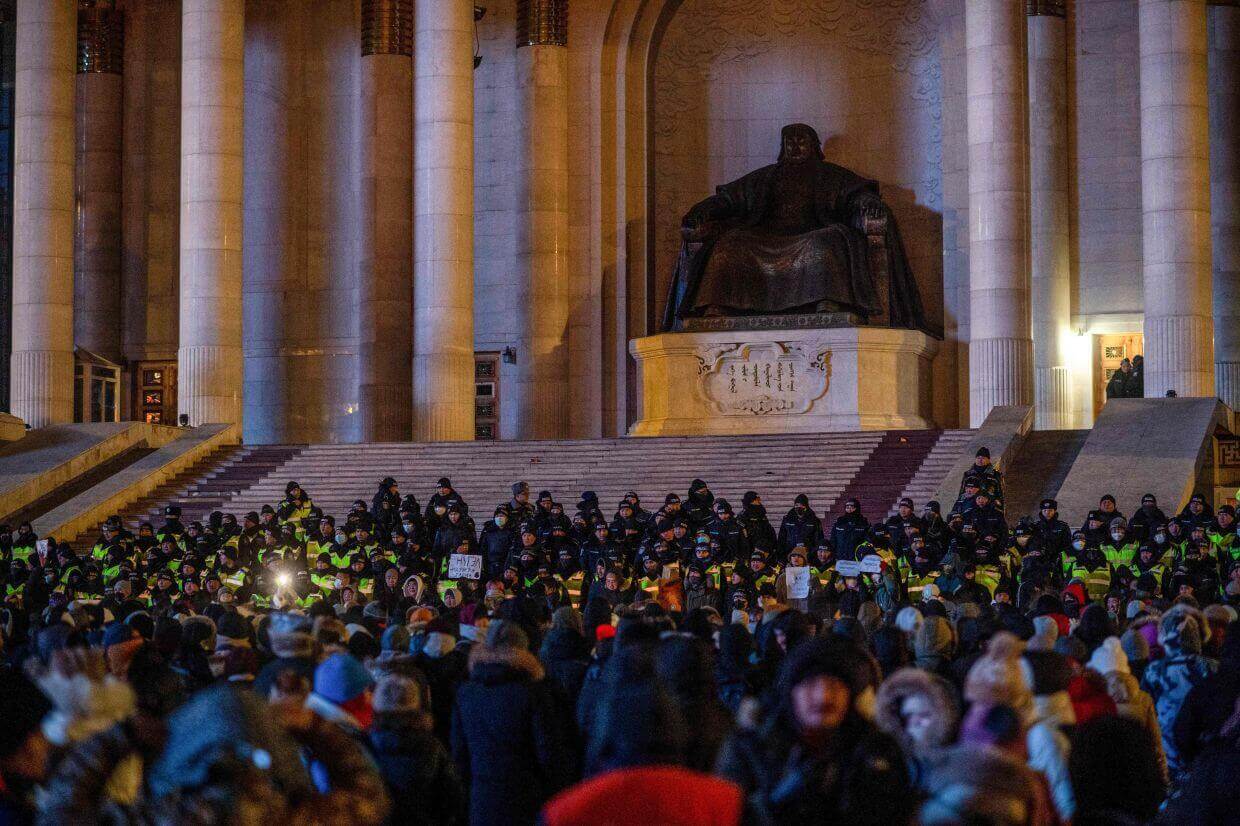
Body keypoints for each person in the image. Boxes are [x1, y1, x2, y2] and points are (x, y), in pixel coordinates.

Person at [715, 636, 915, 825]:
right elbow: (725, 813)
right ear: (791, 692)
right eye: (810, 685)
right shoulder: (751, 746)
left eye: (835, 686)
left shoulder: (875, 749)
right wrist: (773, 805)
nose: (824, 697)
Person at [451, 620, 577, 826]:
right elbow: (548, 753)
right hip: (525, 798)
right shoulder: (533, 693)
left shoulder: (466, 693)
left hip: (482, 797)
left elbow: (459, 753)